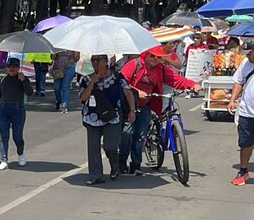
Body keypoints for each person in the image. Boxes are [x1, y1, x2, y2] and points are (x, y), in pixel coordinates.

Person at [119, 45, 197, 175]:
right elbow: (121, 82)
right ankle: (121, 162)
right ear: (146, 54)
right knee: (127, 134)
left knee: (139, 136)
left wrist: (192, 84)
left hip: (146, 105)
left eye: (158, 57)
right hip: (129, 105)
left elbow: (175, 79)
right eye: (152, 56)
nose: (155, 59)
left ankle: (136, 165)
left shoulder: (160, 69)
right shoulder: (134, 64)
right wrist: (137, 91)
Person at [79, 55, 136, 185]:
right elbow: (83, 97)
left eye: (98, 60)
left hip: (113, 117)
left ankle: (115, 165)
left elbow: (128, 92)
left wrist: (132, 110)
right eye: (93, 60)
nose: (95, 63)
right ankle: (96, 176)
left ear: (106, 61)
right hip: (92, 117)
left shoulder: (116, 76)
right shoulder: (86, 79)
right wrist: (92, 82)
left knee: (110, 146)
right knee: (93, 148)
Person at [0, 58, 34, 170]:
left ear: (18, 68)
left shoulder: (22, 79)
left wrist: (24, 80)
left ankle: (20, 154)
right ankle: (3, 159)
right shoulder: (3, 79)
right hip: (3, 109)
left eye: (15, 66)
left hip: (18, 110)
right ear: (6, 67)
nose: (12, 68)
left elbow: (29, 92)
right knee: (4, 136)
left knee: (17, 136)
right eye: (9, 66)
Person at [228, 47, 254, 185]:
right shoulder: (246, 63)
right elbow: (238, 82)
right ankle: (243, 171)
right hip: (247, 112)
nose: (248, 56)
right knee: (245, 143)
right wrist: (232, 100)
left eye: (250, 53)